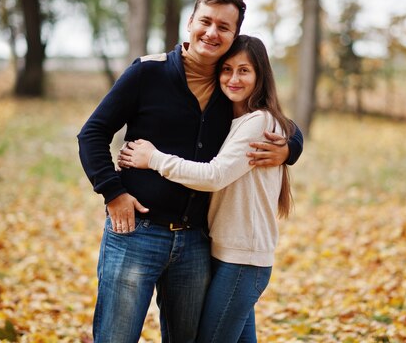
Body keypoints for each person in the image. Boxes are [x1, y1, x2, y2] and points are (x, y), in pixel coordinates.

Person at [77, 0, 303, 343]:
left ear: (233, 36)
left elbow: (273, 119)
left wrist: (290, 148)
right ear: (190, 23)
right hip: (137, 233)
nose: (212, 33)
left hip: (196, 243)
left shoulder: (228, 84)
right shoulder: (146, 73)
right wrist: (112, 192)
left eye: (224, 27)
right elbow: (92, 133)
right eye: (206, 22)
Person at [120, 35, 295, 343]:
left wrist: (154, 158)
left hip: (244, 259)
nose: (233, 78)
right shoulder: (232, 120)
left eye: (244, 71)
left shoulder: (260, 122)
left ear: (260, 75)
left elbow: (214, 176)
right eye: (227, 70)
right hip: (228, 253)